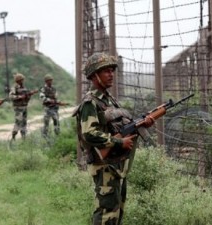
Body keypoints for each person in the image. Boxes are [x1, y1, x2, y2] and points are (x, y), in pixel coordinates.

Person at [74, 53, 154, 225]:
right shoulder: (90, 103)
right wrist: (119, 142)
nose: (111, 74)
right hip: (104, 166)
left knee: (116, 212)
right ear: (94, 76)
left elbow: (119, 127)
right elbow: (89, 133)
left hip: (115, 164)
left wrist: (142, 124)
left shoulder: (109, 100)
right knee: (106, 213)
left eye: (112, 70)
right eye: (106, 71)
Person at [9, 73, 38, 140]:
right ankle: (14, 135)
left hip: (24, 107)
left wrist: (30, 94)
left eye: (22, 80)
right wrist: (20, 97)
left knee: (24, 122)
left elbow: (27, 96)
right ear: (18, 80)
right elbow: (11, 96)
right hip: (18, 108)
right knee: (18, 121)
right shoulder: (14, 88)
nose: (22, 81)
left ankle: (23, 136)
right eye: (21, 80)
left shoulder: (24, 88)